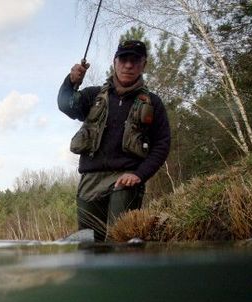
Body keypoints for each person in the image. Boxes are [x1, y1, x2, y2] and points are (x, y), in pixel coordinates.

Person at [58, 40, 171, 242]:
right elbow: (65, 104)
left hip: (125, 181)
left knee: (120, 241)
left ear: (143, 64)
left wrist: (139, 175)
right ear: (115, 62)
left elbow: (162, 144)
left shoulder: (153, 103)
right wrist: (71, 81)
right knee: (89, 244)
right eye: (124, 59)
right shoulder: (93, 96)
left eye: (135, 61)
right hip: (90, 181)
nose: (128, 65)